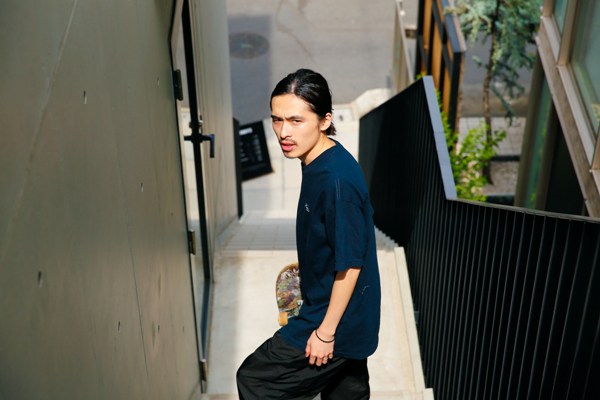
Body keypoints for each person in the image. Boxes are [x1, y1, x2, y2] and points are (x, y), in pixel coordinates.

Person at [236, 68, 381, 399]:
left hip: (334, 322)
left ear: (325, 120)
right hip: (348, 317)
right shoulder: (317, 160)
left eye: (296, 121)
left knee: (256, 380)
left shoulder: (337, 183)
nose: (283, 132)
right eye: (277, 120)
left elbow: (351, 264)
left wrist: (325, 333)